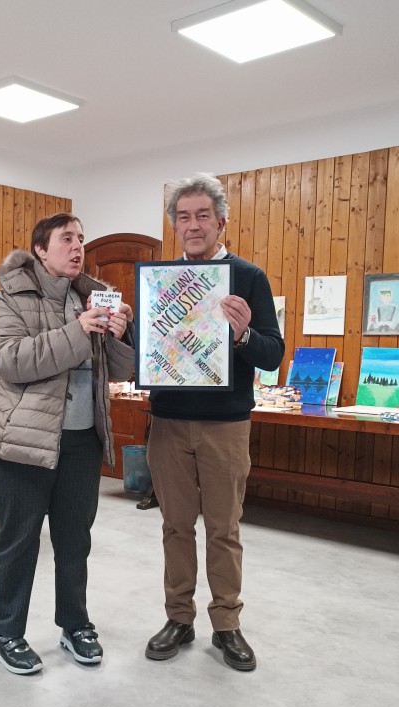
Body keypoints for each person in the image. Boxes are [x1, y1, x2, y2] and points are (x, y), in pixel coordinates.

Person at [0, 212, 135, 675]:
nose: (78, 247)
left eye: (81, 238)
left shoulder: (92, 297)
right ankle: (7, 634)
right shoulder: (10, 297)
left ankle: (75, 625)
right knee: (19, 540)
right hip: (21, 441)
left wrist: (119, 336)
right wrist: (78, 330)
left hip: (81, 440)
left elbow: (120, 372)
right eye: (67, 239)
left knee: (75, 540)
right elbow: (9, 361)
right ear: (41, 249)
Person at [145, 173, 284, 672]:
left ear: (221, 222)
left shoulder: (248, 277)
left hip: (226, 425)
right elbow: (147, 349)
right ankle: (178, 618)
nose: (193, 225)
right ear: (174, 227)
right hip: (168, 421)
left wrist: (243, 335)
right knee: (175, 527)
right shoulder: (159, 282)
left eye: (203, 215)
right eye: (184, 217)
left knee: (224, 529)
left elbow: (272, 354)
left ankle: (226, 624)